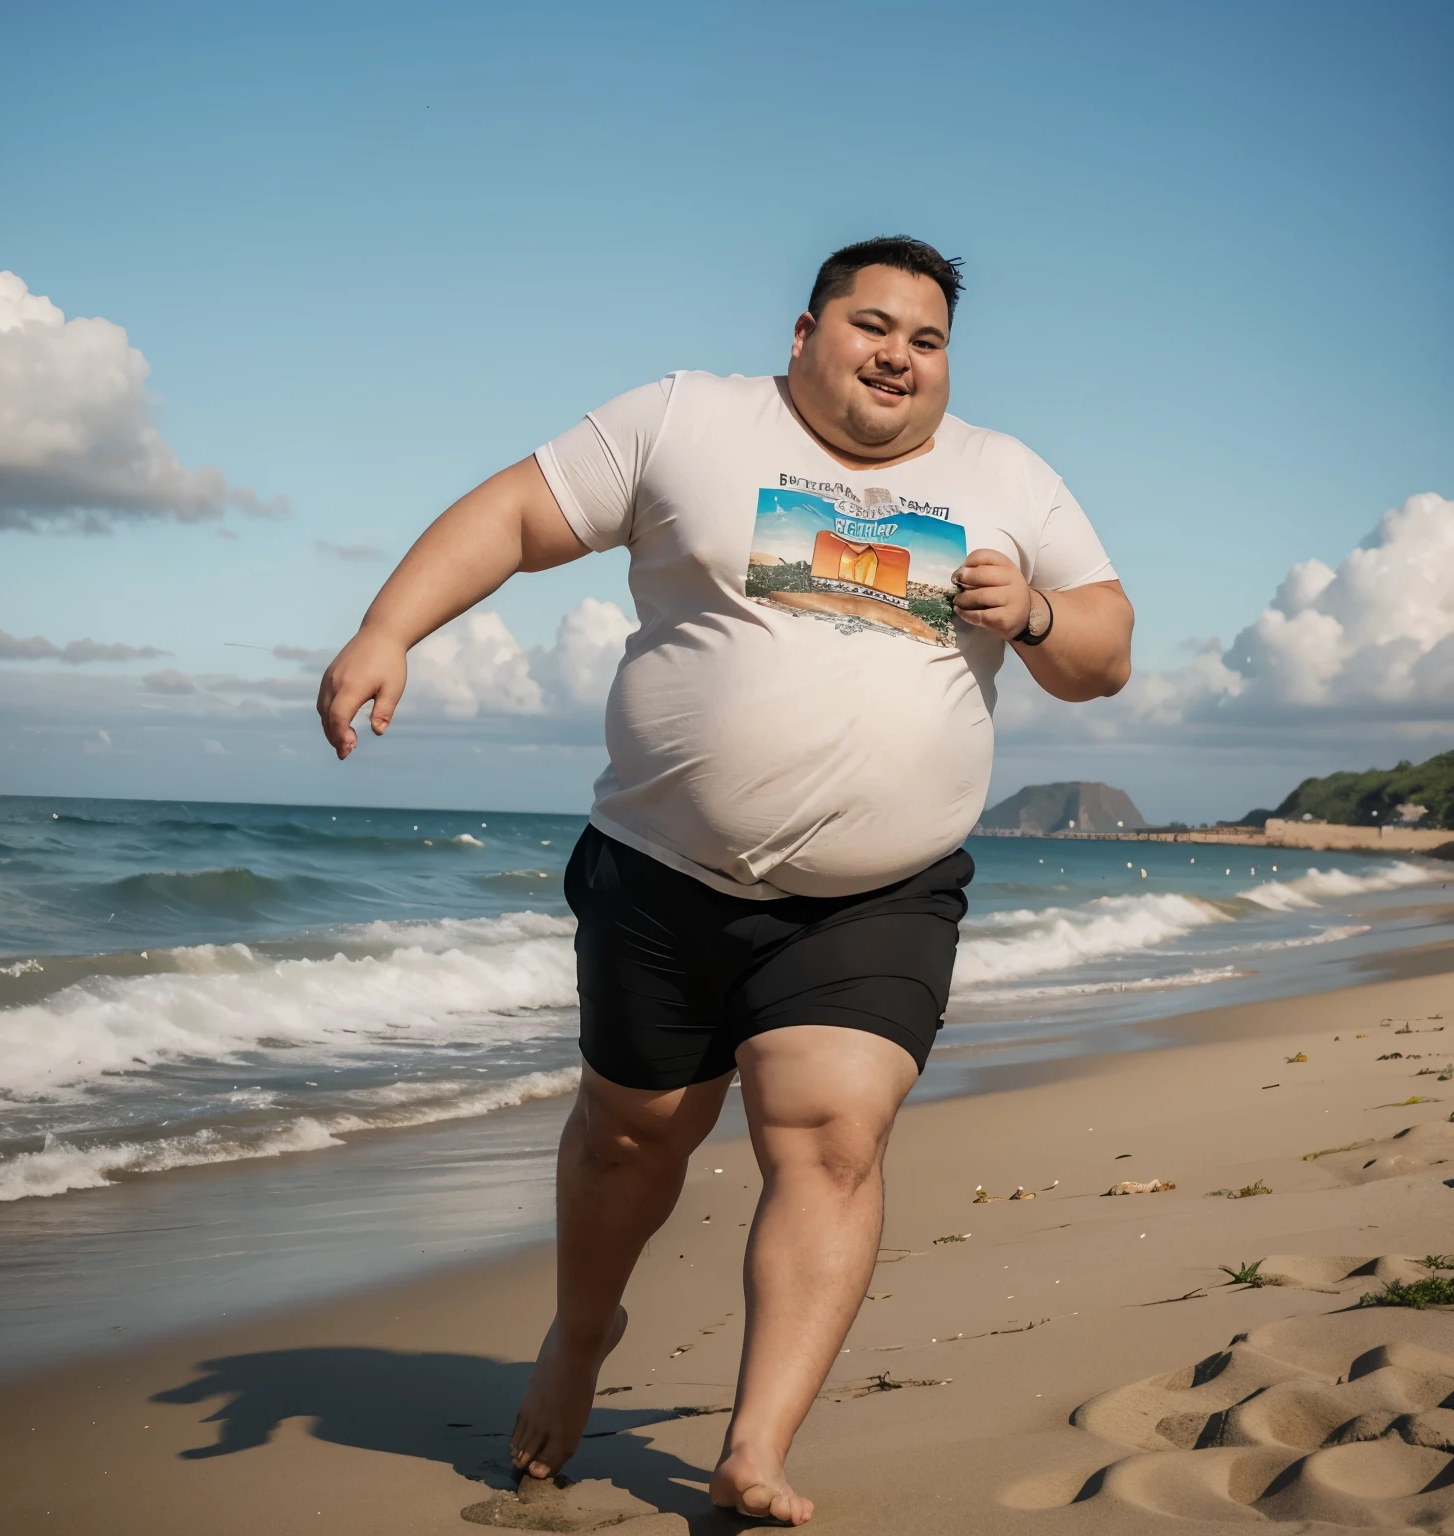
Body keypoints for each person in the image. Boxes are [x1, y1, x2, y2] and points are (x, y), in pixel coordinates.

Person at [317, 236, 1133, 1525]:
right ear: (806, 331)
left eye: (926, 343)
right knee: (632, 1143)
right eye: (873, 328)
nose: (898, 359)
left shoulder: (1006, 478)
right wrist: (387, 628)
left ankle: (754, 1450)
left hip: (880, 896)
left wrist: (1032, 615)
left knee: (830, 1137)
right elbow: (516, 514)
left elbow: (1106, 650)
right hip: (661, 876)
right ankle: (581, 1336)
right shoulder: (687, 419)